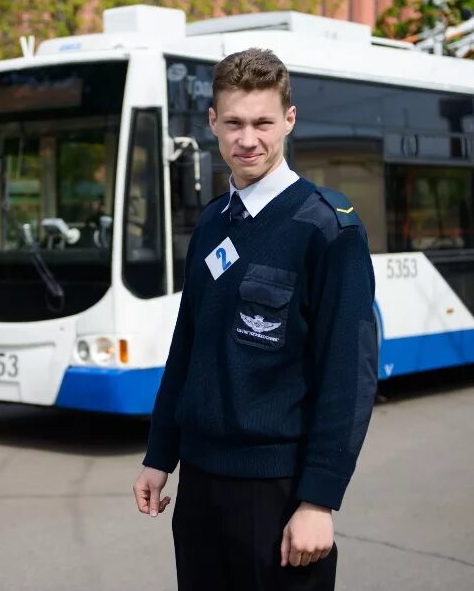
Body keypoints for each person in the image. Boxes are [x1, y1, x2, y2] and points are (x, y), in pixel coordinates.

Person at [132, 48, 378, 590]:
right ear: (212, 124)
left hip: (278, 491)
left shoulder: (326, 229)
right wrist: (160, 455)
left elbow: (348, 376)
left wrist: (319, 499)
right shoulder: (212, 223)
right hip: (199, 489)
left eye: (264, 122)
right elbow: (188, 349)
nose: (249, 139)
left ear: (288, 121)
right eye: (235, 123)